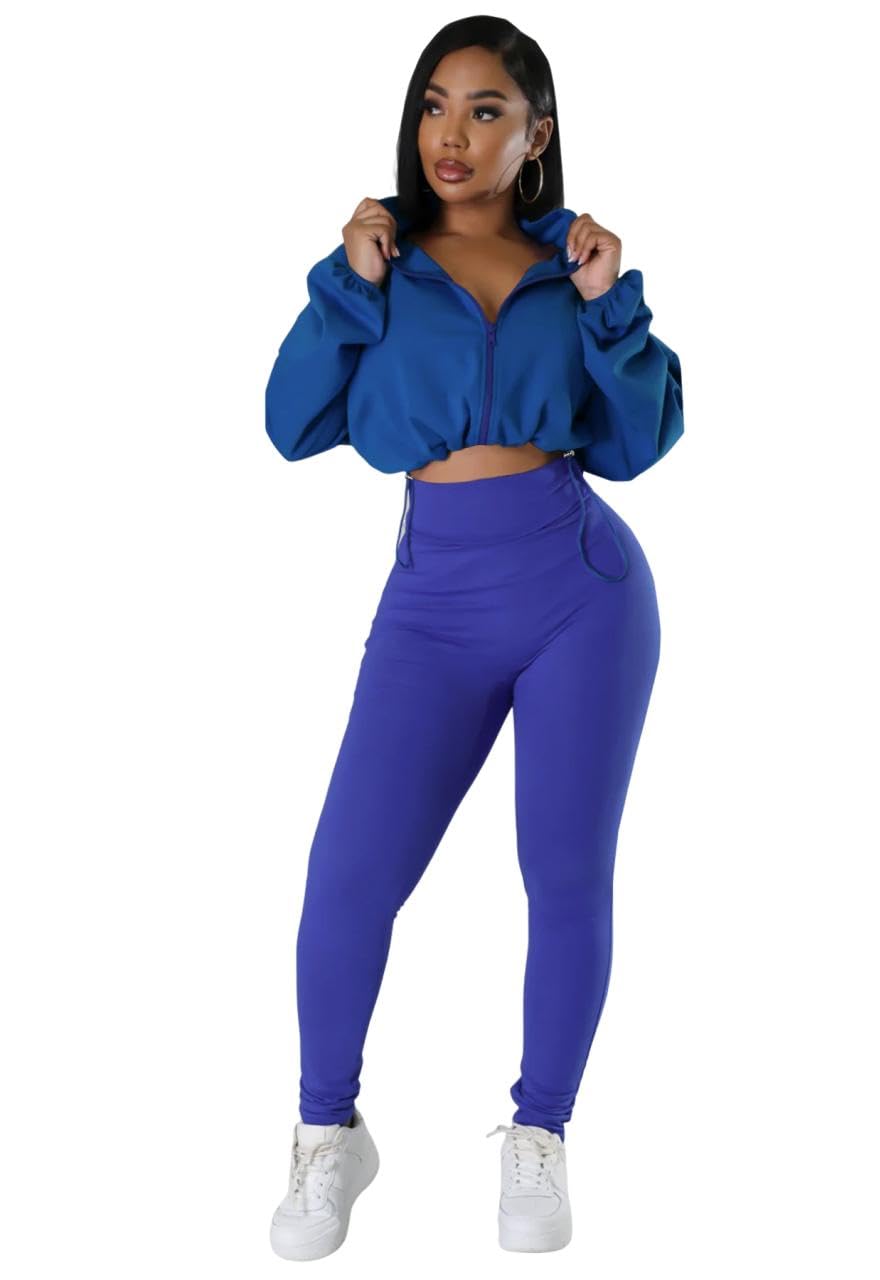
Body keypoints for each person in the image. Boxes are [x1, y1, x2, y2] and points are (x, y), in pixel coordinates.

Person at [265, 16, 684, 1261]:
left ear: (536, 135)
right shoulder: (381, 261)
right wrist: (349, 284)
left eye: (487, 110)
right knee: (348, 878)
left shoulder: (575, 264)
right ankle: (327, 1131)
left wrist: (608, 307)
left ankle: (539, 1129)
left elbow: (637, 445)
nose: (452, 135)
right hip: (433, 605)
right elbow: (291, 423)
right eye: (436, 106)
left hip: (581, 592)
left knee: (564, 874)